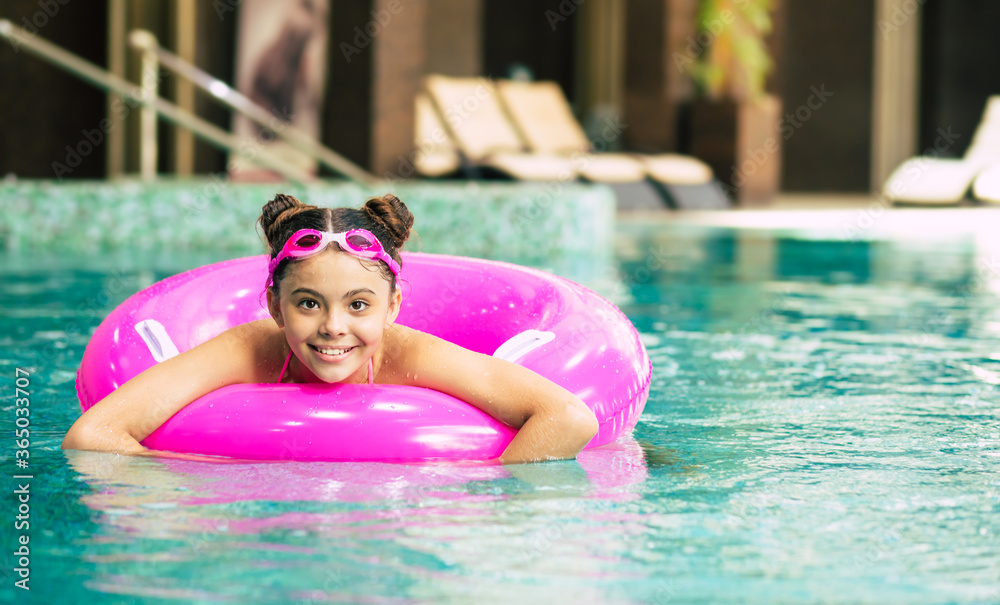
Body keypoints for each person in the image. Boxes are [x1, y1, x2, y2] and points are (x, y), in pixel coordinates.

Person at [62, 193, 599, 464]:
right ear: (273, 305)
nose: (333, 327)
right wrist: (200, 470)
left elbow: (567, 416)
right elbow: (92, 435)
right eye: (309, 303)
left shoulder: (409, 357)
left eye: (359, 305)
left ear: (393, 308)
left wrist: (487, 502)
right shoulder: (249, 350)